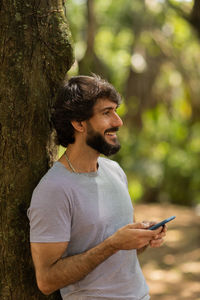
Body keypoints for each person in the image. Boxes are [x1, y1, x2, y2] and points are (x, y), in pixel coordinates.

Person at [27, 75, 166, 300]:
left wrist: (143, 236)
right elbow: (46, 280)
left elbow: (124, 248)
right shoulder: (54, 190)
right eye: (106, 113)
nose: (118, 121)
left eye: (116, 111)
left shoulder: (114, 171)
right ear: (79, 123)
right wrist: (112, 245)